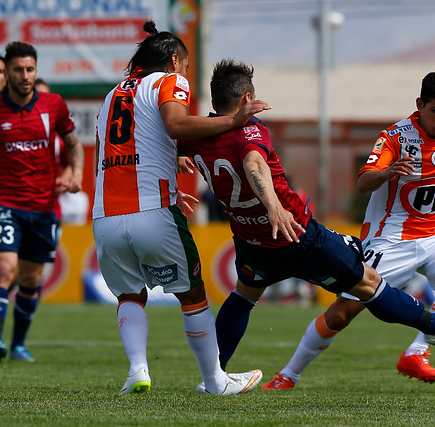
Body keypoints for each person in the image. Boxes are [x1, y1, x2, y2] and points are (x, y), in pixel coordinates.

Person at [178, 60, 435, 378]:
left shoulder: (193, 136)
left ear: (213, 103)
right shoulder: (250, 130)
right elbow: (254, 162)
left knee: (243, 296)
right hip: (298, 233)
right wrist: (273, 205)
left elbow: (168, 141)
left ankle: (214, 377)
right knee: (368, 284)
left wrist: (174, 179)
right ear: (246, 101)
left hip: (251, 240)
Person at [261, 71, 435, 390]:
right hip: (391, 239)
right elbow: (363, 181)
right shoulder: (395, 137)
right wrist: (388, 171)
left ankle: (417, 353)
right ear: (420, 105)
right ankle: (288, 375)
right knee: (342, 313)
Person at [92, 21, 271, 395]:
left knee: (129, 295)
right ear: (175, 60)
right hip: (152, 213)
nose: (186, 75)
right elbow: (174, 125)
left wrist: (169, 164)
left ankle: (138, 371)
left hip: (105, 216)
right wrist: (234, 120)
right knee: (192, 295)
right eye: (186, 67)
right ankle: (214, 380)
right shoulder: (168, 80)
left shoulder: (110, 97)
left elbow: (117, 152)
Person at [0, 42, 85, 363]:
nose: (24, 75)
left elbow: (75, 145)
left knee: (31, 280)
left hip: (45, 208)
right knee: (4, 270)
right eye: (18, 69)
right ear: (8, 73)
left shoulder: (53, 105)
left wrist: (75, 173)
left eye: (29, 69)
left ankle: (18, 344)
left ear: (36, 70)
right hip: (5, 204)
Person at [34, 78, 90, 225]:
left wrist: (65, 180)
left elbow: (68, 162)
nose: (42, 101)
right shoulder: (15, 125)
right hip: (24, 196)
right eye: (38, 96)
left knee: (80, 201)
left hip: (55, 196)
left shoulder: (60, 134)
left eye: (46, 96)